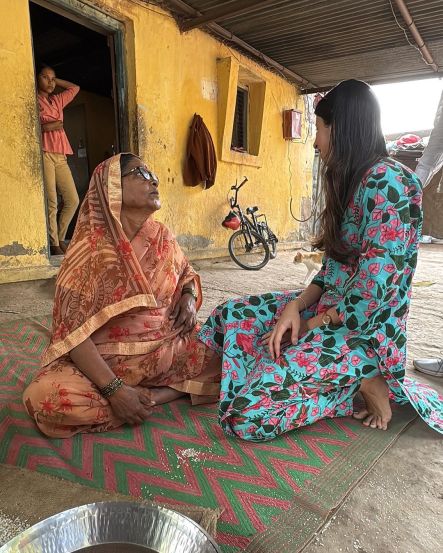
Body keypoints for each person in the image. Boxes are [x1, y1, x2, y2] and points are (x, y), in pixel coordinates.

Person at [199, 79, 443, 441]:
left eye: (321, 130)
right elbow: (332, 271)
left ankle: (366, 380)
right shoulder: (354, 181)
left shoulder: (391, 182)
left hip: (364, 334)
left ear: (340, 129)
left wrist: (312, 325)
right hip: (330, 312)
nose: (316, 141)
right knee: (231, 314)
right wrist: (294, 308)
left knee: (246, 416)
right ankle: (335, 384)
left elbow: (373, 294)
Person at [23, 153, 221, 438]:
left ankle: (151, 397)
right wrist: (114, 390)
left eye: (153, 174)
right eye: (140, 173)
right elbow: (74, 335)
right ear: (112, 184)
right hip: (107, 363)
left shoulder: (162, 235)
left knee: (231, 358)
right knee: (47, 398)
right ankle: (135, 396)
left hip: (167, 349)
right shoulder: (89, 251)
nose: (154, 181)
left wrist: (189, 296)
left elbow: (185, 271)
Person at [37, 64, 80, 256]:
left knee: (72, 199)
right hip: (45, 153)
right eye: (45, 77)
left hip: (61, 155)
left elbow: (75, 88)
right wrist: (51, 125)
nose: (50, 82)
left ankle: (60, 237)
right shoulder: (34, 101)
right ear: (37, 78)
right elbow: (39, 128)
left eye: (52, 78)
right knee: (52, 200)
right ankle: (53, 243)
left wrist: (56, 80)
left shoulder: (57, 101)